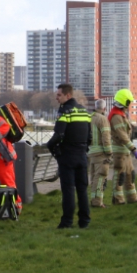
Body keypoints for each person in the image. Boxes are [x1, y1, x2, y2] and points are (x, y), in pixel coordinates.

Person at [47, 83, 92, 228]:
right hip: (82, 156)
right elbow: (90, 137)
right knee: (82, 190)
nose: (56, 97)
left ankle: (67, 222)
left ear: (68, 95)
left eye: (59, 95)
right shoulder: (84, 112)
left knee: (68, 190)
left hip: (67, 156)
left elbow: (59, 134)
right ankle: (84, 221)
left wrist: (50, 147)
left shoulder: (65, 111)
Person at [109, 89, 137, 204]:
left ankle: (132, 199)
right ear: (125, 102)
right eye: (129, 102)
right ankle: (118, 199)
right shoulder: (116, 116)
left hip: (125, 152)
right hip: (120, 153)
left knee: (130, 175)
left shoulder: (121, 115)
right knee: (120, 176)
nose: (130, 104)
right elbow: (122, 135)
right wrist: (133, 149)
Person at [87, 99, 112, 208]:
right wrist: (109, 152)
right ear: (104, 108)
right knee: (100, 178)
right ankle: (97, 202)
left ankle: (94, 200)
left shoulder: (89, 118)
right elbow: (106, 138)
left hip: (91, 152)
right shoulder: (102, 119)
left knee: (94, 178)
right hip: (101, 154)